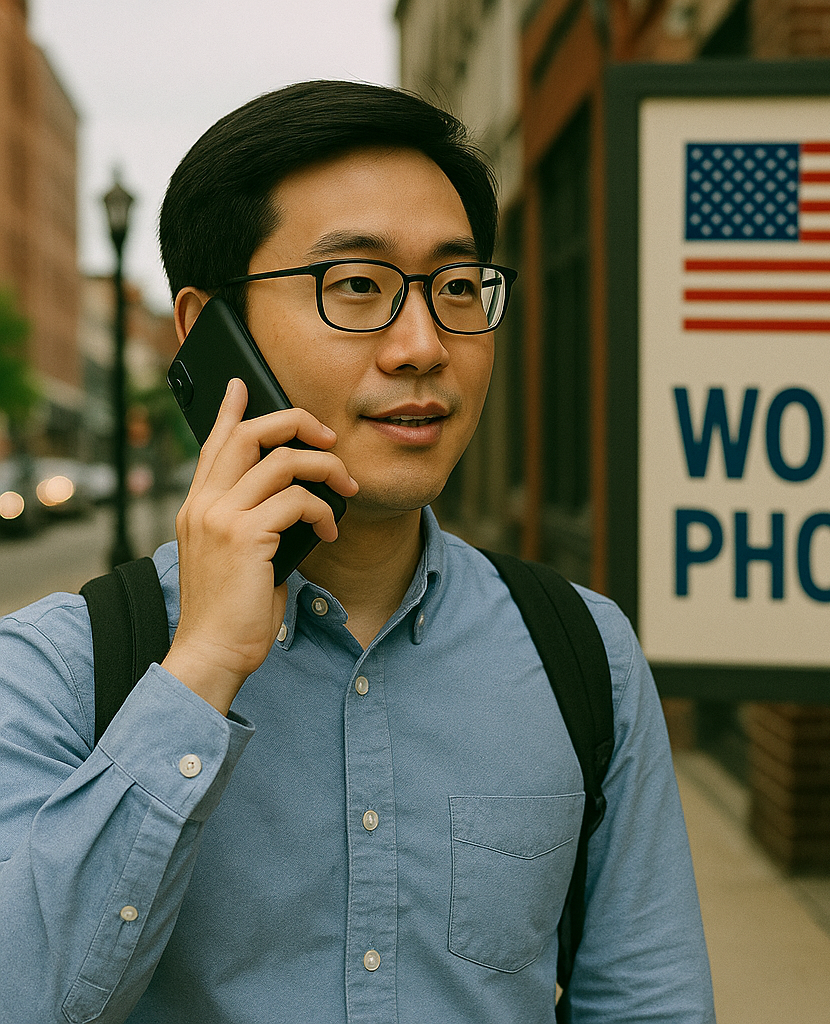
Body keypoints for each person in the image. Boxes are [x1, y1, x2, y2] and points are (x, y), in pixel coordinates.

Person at [0, 81, 715, 1023]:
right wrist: (201, 671)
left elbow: (646, 1003)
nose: (422, 344)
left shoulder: (584, 653)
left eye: (457, 287)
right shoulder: (57, 670)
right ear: (205, 331)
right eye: (358, 289)